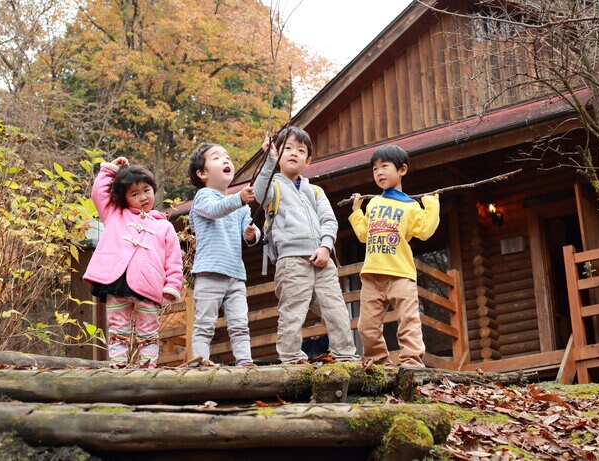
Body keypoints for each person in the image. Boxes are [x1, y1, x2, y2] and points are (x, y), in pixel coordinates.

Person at [255, 127, 358, 364]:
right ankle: (291, 358)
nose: (293, 153)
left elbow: (329, 221)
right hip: (291, 261)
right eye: (287, 148)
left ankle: (345, 355)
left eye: (300, 150)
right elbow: (260, 193)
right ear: (277, 154)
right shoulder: (274, 186)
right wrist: (267, 162)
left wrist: (325, 247)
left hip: (322, 260)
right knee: (292, 311)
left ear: (308, 160)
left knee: (336, 308)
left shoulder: (316, 191)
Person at [83, 157, 183, 369]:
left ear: (153, 190)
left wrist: (172, 286)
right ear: (125, 198)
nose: (143, 197)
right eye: (134, 194)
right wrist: (111, 170)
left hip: (148, 286)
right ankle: (118, 365)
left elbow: (174, 260)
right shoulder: (116, 215)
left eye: (146, 190)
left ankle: (148, 366)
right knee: (117, 326)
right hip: (116, 281)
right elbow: (98, 193)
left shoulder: (164, 227)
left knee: (149, 329)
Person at [348, 145, 440, 367]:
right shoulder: (374, 203)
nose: (379, 172)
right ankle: (379, 363)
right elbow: (364, 235)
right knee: (366, 326)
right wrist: (356, 212)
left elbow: (426, 230)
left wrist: (431, 204)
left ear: (402, 170)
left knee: (408, 320)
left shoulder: (410, 206)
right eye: (375, 168)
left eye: (384, 166)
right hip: (372, 275)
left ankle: (411, 362)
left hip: (400, 273)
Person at [187, 143, 259, 366]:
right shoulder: (203, 196)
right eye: (217, 158)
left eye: (227, 157)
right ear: (202, 173)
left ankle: (245, 361)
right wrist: (238, 199)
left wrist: (252, 233)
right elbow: (215, 211)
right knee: (205, 323)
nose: (226, 160)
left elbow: (251, 230)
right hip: (209, 271)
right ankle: (200, 361)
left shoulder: (241, 205)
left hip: (236, 273)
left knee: (239, 323)